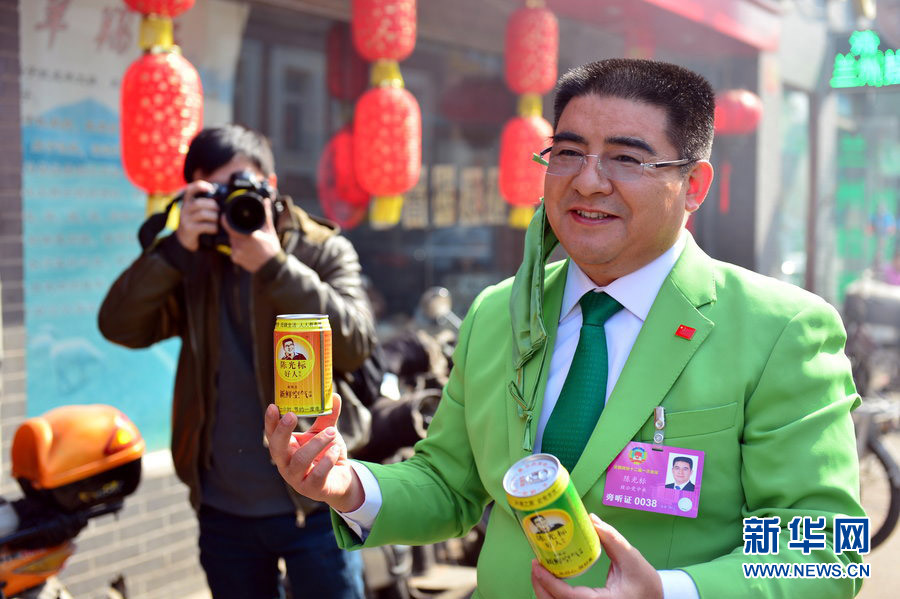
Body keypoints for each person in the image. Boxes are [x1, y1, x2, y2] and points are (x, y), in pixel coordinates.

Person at [265, 59, 865, 599]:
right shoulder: (498, 314)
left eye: (627, 159)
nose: (588, 181)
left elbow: (827, 552)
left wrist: (669, 592)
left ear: (695, 186)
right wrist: (348, 485)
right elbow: (450, 485)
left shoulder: (781, 329)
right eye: (569, 152)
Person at [99, 125, 375, 599]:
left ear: (271, 183)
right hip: (224, 508)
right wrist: (172, 249)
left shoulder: (319, 249)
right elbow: (119, 325)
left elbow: (356, 342)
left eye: (241, 188)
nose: (231, 206)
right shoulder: (192, 262)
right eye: (215, 193)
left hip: (316, 497)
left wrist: (274, 266)